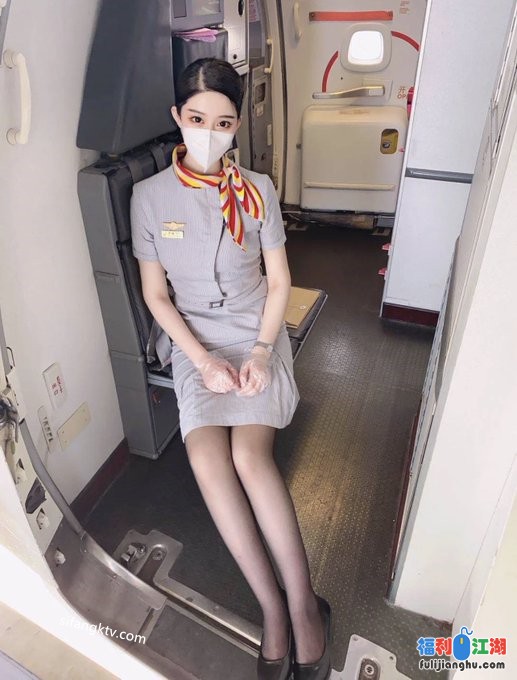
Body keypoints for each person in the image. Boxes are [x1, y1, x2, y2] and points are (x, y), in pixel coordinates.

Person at [130, 57, 331, 680]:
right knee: (206, 459)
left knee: (249, 455)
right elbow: (157, 297)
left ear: (236, 125)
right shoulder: (149, 198)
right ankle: (272, 609)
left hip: (255, 330)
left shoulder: (258, 189)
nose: (208, 133)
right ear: (177, 117)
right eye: (196, 119)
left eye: (222, 123)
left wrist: (263, 352)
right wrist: (202, 360)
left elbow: (280, 284)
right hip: (193, 341)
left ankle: (303, 607)